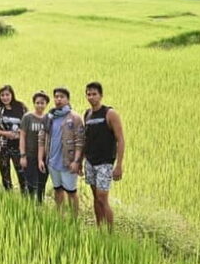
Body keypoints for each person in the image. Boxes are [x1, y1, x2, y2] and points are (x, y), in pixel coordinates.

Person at [83, 81, 125, 231]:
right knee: (95, 197)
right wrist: (81, 160)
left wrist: (119, 165)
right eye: (88, 94)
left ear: (101, 95)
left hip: (105, 163)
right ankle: (100, 229)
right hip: (90, 161)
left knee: (102, 198)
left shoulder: (110, 113)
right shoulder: (87, 114)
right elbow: (86, 139)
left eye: (94, 94)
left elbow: (120, 139)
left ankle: (110, 233)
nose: (91, 97)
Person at [38, 87, 84, 217]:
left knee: (71, 192)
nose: (58, 99)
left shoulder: (75, 118)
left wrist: (77, 161)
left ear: (68, 99)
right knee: (57, 189)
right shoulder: (49, 117)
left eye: (62, 97)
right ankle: (60, 216)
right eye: (56, 97)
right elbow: (42, 138)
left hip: (68, 163)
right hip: (52, 162)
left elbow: (80, 142)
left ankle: (74, 219)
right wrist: (41, 159)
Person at [0, 85, 27, 192]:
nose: (5, 97)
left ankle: (25, 195)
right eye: (2, 95)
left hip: (19, 145)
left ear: (12, 95)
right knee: (5, 173)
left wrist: (20, 133)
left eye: (7, 95)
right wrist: (5, 133)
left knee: (22, 172)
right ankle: (9, 195)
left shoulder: (21, 107)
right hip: (2, 145)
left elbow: (28, 123)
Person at [20, 91, 50, 202]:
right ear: (34, 103)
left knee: (42, 182)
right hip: (30, 155)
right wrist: (23, 155)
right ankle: (31, 203)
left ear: (46, 104)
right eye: (37, 103)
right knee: (31, 183)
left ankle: (40, 203)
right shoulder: (27, 117)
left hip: (44, 156)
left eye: (42, 103)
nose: (40, 105)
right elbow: (22, 136)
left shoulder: (48, 118)